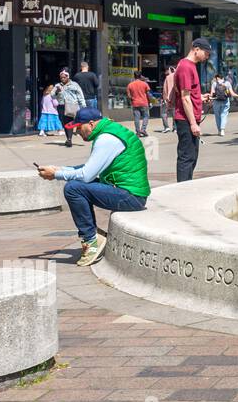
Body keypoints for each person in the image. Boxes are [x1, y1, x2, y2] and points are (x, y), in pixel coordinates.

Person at [37, 106, 149, 267]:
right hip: (128, 192)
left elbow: (87, 175)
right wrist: (59, 169)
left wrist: (55, 175)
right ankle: (93, 235)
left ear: (91, 124)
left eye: (78, 128)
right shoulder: (110, 132)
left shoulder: (106, 139)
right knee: (76, 185)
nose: (76, 133)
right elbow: (90, 168)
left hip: (131, 197)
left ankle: (91, 240)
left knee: (73, 188)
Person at [174, 39, 210, 182]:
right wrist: (193, 123)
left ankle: (186, 184)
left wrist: (200, 97)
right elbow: (184, 98)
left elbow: (189, 94)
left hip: (188, 118)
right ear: (196, 49)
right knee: (187, 157)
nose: (206, 57)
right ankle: (183, 188)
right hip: (185, 119)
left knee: (192, 156)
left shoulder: (190, 66)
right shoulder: (185, 67)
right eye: (206, 53)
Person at [55, 69, 86, 148]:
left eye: (64, 77)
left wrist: (83, 105)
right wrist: (57, 92)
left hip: (71, 105)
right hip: (61, 106)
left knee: (69, 122)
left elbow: (80, 95)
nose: (62, 79)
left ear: (67, 77)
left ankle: (69, 139)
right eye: (61, 77)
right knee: (64, 123)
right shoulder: (58, 85)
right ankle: (68, 138)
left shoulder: (74, 85)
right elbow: (52, 95)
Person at [208, 72, 238, 136]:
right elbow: (232, 94)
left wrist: (210, 102)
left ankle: (219, 130)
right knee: (224, 115)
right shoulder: (227, 83)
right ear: (223, 78)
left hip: (216, 102)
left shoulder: (214, 84)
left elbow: (211, 93)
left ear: (216, 78)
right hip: (225, 101)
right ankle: (222, 130)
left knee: (217, 116)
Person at [127, 72, 152, 137]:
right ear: (140, 76)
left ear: (134, 76)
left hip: (135, 104)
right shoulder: (145, 84)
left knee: (136, 118)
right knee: (146, 116)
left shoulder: (130, 85)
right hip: (144, 103)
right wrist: (150, 102)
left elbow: (129, 96)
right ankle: (143, 130)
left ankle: (138, 132)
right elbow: (148, 94)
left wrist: (132, 100)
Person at [159, 67, 176, 133]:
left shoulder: (168, 78)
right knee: (174, 114)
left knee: (163, 113)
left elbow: (165, 90)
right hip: (175, 99)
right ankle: (175, 128)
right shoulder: (177, 76)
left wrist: (164, 98)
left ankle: (166, 127)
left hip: (167, 99)